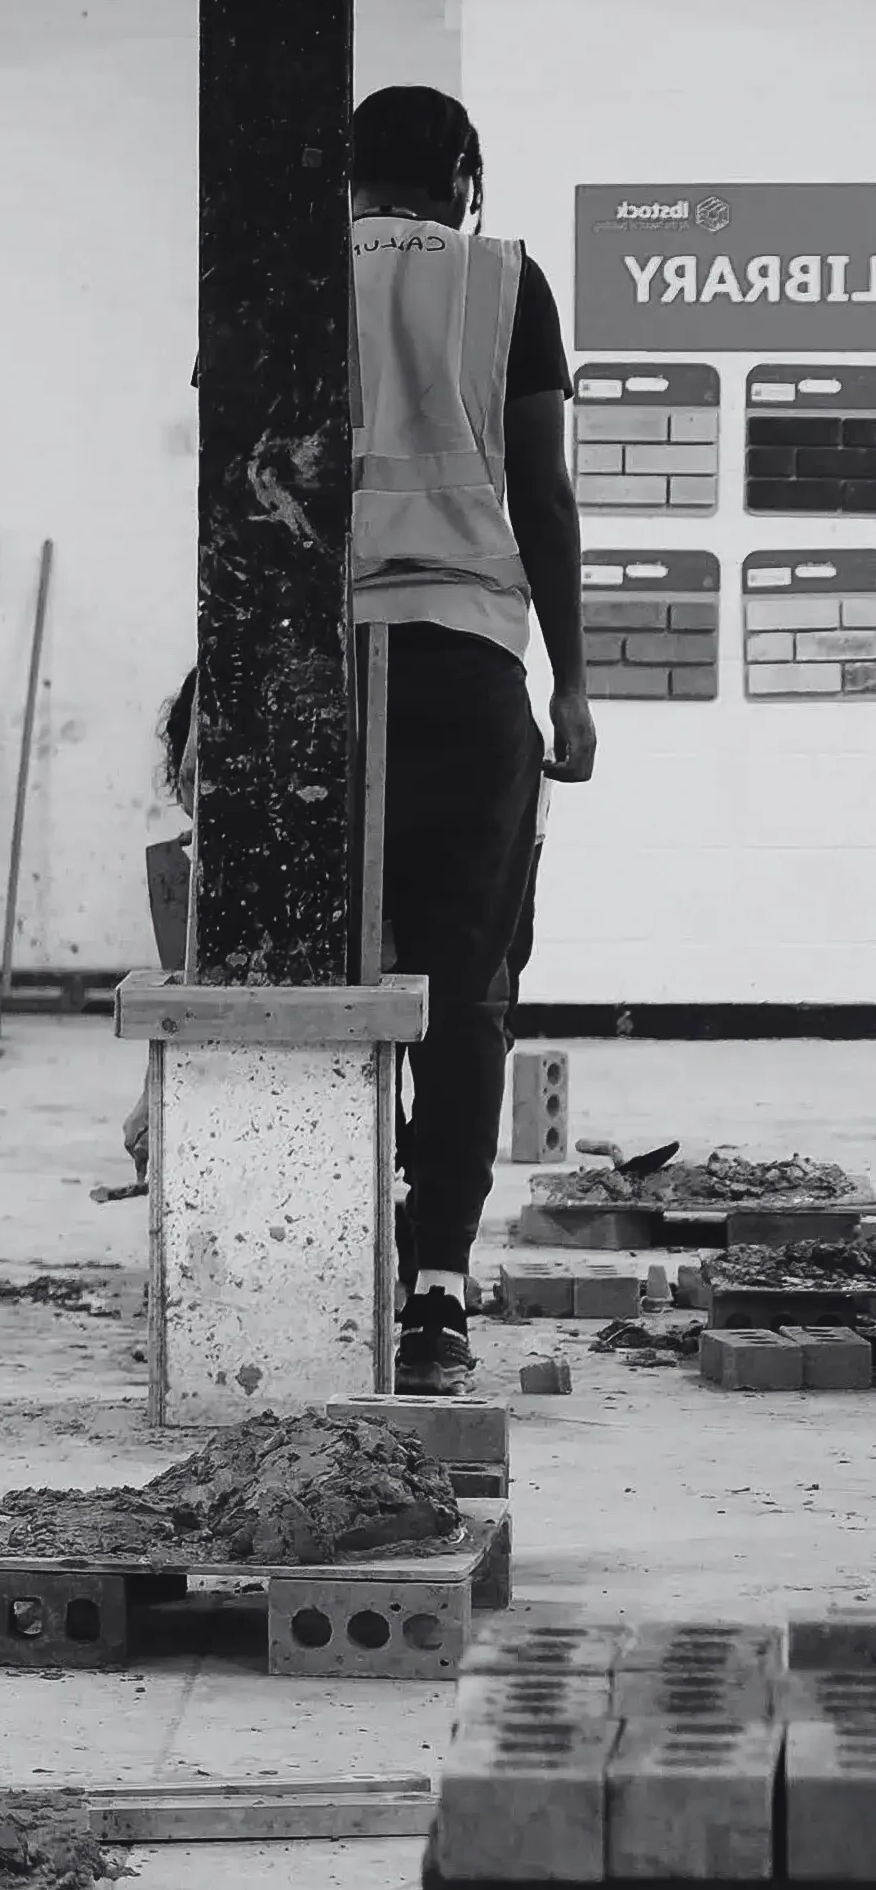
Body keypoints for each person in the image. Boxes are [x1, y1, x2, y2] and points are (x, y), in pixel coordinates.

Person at [348, 83, 594, 1394]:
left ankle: (305, 1260)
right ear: (461, 175)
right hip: (464, 667)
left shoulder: (275, 270)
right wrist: (573, 686)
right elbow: (542, 496)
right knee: (463, 982)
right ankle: (434, 1288)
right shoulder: (504, 282)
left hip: (313, 677)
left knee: (306, 980)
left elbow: (231, 479)